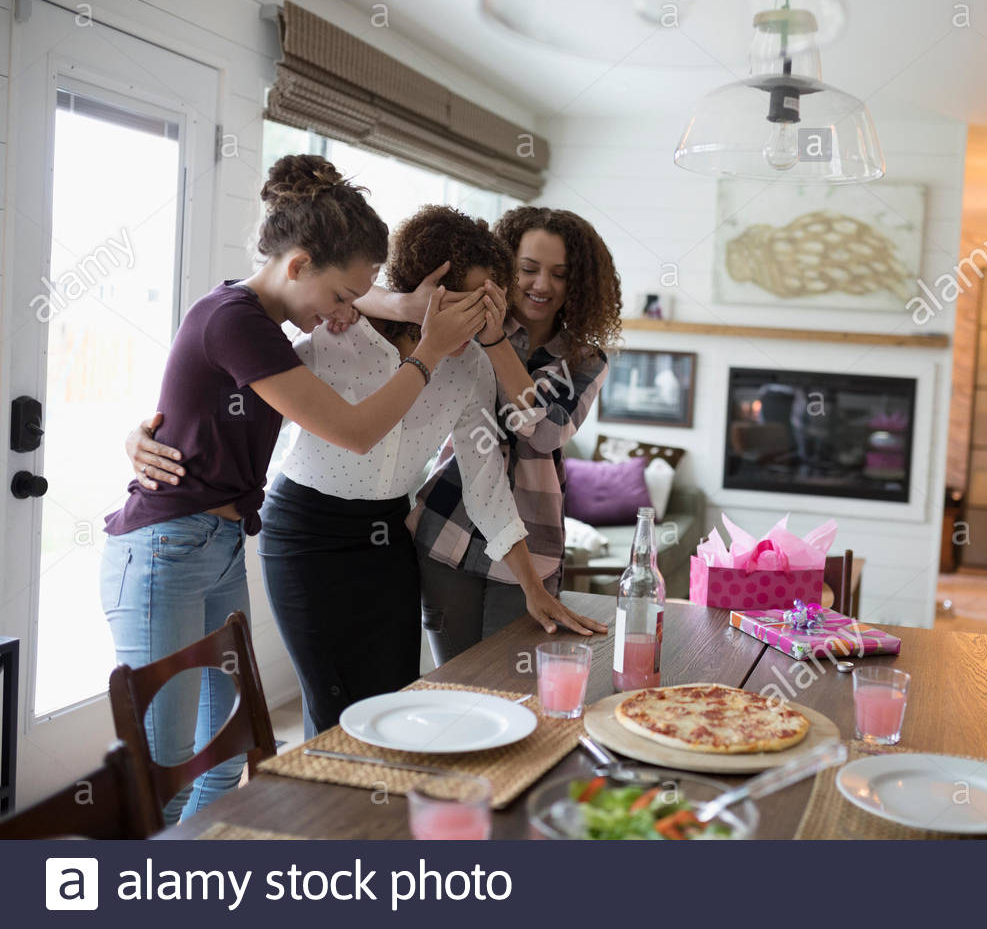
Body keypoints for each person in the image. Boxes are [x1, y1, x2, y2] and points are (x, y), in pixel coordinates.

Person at [102, 155, 484, 824]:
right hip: (167, 546)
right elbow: (355, 430)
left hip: (215, 543)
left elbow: (195, 405)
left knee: (226, 755)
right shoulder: (235, 318)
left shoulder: (262, 321)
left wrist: (387, 304)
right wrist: (428, 350)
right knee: (163, 767)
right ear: (300, 264)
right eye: (340, 298)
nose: (344, 315)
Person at [356, 207, 622, 664]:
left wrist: (497, 342)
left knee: (512, 686)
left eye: (560, 274)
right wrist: (402, 306)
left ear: (578, 282)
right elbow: (358, 296)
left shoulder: (583, 359)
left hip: (532, 546)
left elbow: (546, 434)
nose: (542, 285)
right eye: (528, 269)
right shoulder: (464, 322)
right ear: (504, 268)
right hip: (448, 527)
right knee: (456, 680)